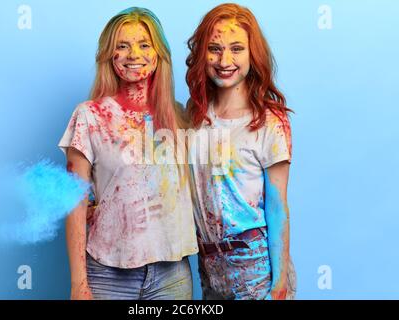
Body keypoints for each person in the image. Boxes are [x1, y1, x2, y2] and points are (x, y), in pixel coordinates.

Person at [58, 7, 198, 300]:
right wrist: (78, 283)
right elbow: (74, 204)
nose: (134, 53)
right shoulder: (89, 116)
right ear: (110, 55)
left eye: (144, 44)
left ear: (159, 54)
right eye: (123, 46)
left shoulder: (180, 116)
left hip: (171, 275)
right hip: (107, 272)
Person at [185, 3, 296, 300]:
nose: (225, 60)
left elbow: (277, 206)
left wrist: (280, 282)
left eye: (237, 49)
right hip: (209, 266)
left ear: (252, 54)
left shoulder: (269, 120)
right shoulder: (195, 115)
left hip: (256, 267)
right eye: (215, 48)